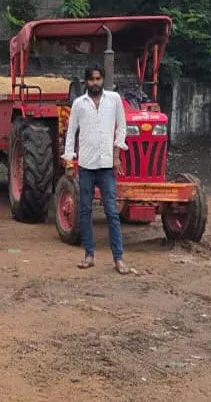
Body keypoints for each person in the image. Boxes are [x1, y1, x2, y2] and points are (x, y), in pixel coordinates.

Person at [62, 66, 129, 274]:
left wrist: (116, 155)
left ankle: (118, 258)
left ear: (103, 80)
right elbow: (71, 133)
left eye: (98, 79)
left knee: (112, 212)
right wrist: (69, 161)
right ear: (86, 82)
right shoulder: (79, 104)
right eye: (91, 79)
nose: (95, 83)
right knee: (85, 211)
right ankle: (89, 255)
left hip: (107, 166)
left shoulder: (114, 100)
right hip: (86, 166)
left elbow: (122, 127)